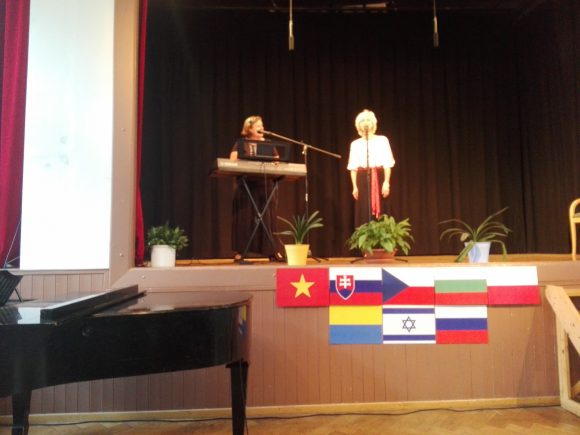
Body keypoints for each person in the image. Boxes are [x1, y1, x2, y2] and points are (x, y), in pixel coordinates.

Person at [230, 115, 282, 262]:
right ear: (249, 128)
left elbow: (277, 160)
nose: (262, 128)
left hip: (265, 185)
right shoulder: (241, 143)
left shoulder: (269, 143)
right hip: (246, 184)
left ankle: (272, 251)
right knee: (244, 217)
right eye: (258, 126)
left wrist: (274, 163)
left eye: (262, 125)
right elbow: (233, 159)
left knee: (268, 218)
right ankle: (242, 251)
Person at [347, 109, 395, 229]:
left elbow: (387, 163)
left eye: (368, 120)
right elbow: (353, 167)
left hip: (379, 177)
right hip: (362, 179)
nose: (365, 122)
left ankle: (383, 239)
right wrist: (354, 186)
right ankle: (365, 239)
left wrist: (386, 182)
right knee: (364, 210)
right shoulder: (355, 144)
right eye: (362, 120)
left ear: (373, 123)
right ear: (359, 125)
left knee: (382, 210)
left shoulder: (382, 140)